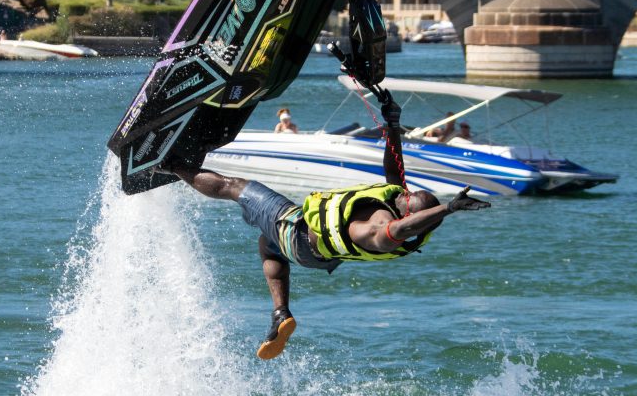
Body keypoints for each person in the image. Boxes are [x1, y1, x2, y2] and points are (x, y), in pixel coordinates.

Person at [161, 143, 490, 360]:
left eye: (409, 199)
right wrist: (392, 124)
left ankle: (168, 163)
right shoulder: (400, 209)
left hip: (297, 232)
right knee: (267, 246)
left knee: (232, 187)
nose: (405, 194)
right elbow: (395, 174)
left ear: (408, 216)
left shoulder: (379, 231)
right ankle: (280, 314)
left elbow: (395, 230)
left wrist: (449, 208)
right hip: (314, 255)